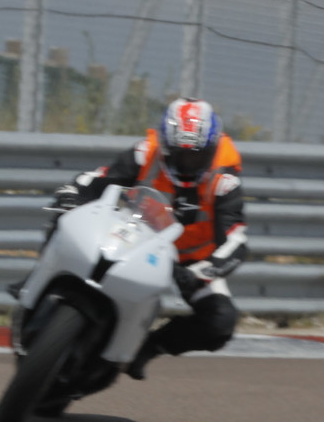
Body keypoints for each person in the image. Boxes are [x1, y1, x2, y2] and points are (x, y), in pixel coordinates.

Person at [54, 98, 249, 379]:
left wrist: (201, 272)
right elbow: (99, 178)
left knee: (221, 322)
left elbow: (235, 240)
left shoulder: (225, 180)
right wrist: (71, 195)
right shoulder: (146, 152)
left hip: (189, 263)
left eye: (197, 156)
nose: (189, 164)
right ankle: (39, 284)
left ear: (213, 148)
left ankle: (149, 347)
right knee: (63, 216)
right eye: (181, 155)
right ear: (166, 147)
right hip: (135, 238)